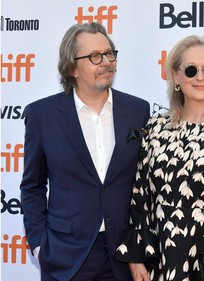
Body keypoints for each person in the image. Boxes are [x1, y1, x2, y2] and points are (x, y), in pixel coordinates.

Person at [115, 35, 204, 281]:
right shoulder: (155, 129)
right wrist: (136, 258)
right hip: (159, 263)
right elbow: (140, 200)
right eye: (191, 70)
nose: (201, 77)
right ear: (176, 76)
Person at [20, 22, 150, 281]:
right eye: (94, 56)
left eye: (110, 53)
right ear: (71, 68)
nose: (106, 62)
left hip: (122, 255)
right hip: (65, 255)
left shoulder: (138, 110)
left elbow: (144, 185)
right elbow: (32, 186)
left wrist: (139, 250)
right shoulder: (42, 115)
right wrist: (38, 245)